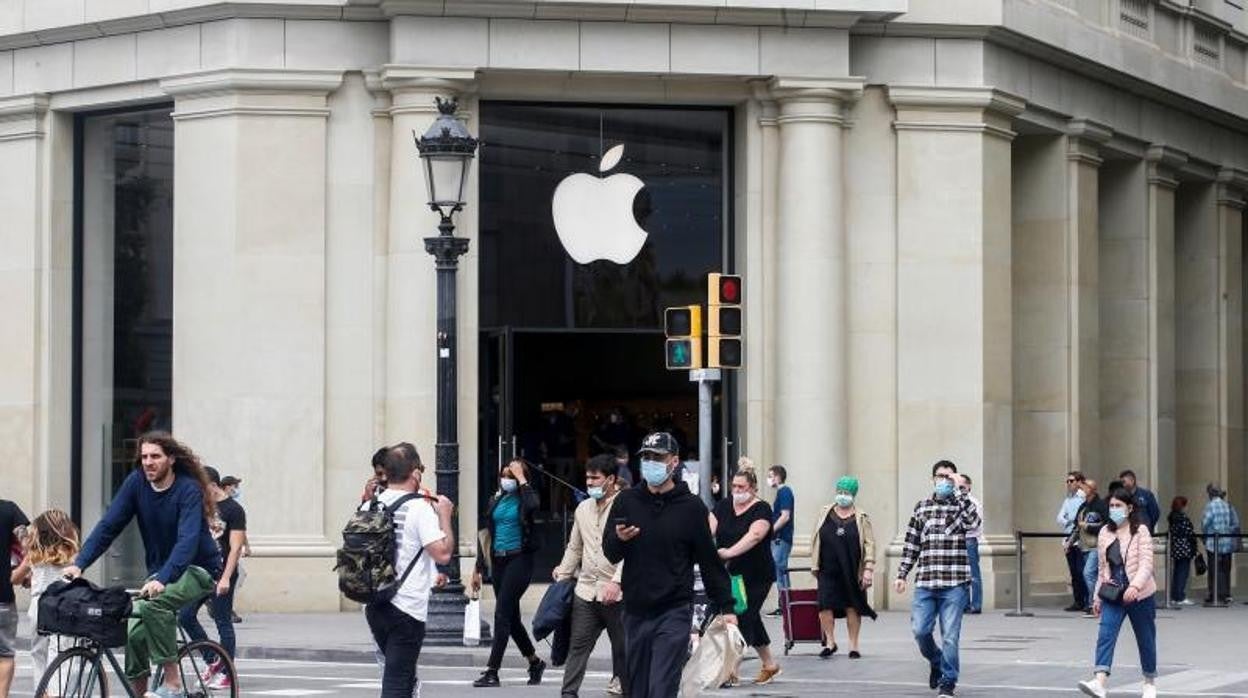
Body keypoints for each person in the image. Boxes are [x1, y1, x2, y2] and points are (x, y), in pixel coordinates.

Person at [64, 432, 223, 698]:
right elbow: (108, 526)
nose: (148, 462)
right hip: (160, 572)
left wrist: (163, 578)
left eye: (155, 456)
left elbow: (187, 541)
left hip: (197, 569)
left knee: (156, 604)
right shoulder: (136, 483)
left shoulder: (187, 489)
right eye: (144, 457)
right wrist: (80, 564)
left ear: (171, 459)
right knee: (134, 630)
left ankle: (172, 682)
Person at [603, 431, 737, 698]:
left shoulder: (692, 508)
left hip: (674, 611)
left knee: (661, 687)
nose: (650, 462)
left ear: (674, 462)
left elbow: (709, 561)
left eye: (657, 457)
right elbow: (610, 552)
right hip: (635, 611)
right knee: (637, 690)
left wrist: (727, 607)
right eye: (646, 457)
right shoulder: (626, 501)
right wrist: (619, 539)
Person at [365, 443, 455, 698]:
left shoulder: (371, 505)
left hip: (374, 603)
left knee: (402, 679)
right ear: (415, 473)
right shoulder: (419, 508)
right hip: (405, 607)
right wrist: (445, 515)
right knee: (397, 681)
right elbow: (444, 553)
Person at [893, 459, 979, 698]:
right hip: (927, 582)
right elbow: (912, 543)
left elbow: (974, 523)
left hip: (955, 584)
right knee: (920, 631)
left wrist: (960, 491)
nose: (944, 481)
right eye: (940, 476)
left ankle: (948, 682)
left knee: (950, 636)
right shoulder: (922, 507)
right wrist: (902, 574)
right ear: (933, 479)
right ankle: (936, 661)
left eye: (949, 477)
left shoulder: (963, 506)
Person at [553, 454, 627, 698]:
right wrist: (563, 573)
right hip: (585, 590)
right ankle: (568, 693)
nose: (591, 483)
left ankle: (626, 688)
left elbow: (632, 551)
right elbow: (575, 547)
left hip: (617, 593)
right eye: (588, 478)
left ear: (611, 480)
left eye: (596, 478)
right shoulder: (583, 508)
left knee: (623, 648)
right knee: (578, 645)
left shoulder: (625, 505)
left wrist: (617, 582)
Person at [470, 459, 547, 688]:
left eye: (512, 475)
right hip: (498, 560)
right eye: (505, 474)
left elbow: (534, 505)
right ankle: (534, 662)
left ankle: (492, 671)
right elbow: (487, 534)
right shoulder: (497, 499)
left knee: (501, 615)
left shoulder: (526, 498)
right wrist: (478, 568)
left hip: (519, 560)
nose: (507, 479)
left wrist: (522, 479)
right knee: (511, 620)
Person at [1077, 488, 1157, 698]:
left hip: (1139, 594)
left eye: (1118, 506)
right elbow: (1104, 568)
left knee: (1145, 637)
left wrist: (1135, 586)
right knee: (1105, 634)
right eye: (1111, 506)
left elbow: (1147, 563)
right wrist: (1096, 597)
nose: (1114, 510)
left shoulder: (1141, 531)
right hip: (1113, 594)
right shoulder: (1105, 532)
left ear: (1129, 508)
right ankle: (1100, 681)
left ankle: (1149, 683)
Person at [710, 462, 780, 687]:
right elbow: (706, 529)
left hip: (757, 574)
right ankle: (770, 665)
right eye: (734, 487)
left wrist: (729, 552)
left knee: (743, 618)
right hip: (730, 575)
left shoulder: (762, 509)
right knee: (750, 617)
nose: (737, 491)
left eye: (742, 487)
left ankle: (731, 670)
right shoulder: (722, 506)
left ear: (753, 489)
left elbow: (756, 535)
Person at [177, 466, 247, 689]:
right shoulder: (200, 506)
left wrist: (226, 578)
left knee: (222, 620)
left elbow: (235, 548)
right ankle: (212, 660)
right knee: (185, 616)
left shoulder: (234, 510)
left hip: (222, 572)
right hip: (201, 572)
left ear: (213, 485)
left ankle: (227, 671)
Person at [809, 476, 876, 660]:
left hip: (852, 568)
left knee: (852, 605)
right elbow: (815, 538)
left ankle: (853, 646)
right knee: (825, 605)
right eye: (839, 492)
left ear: (853, 495)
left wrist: (868, 568)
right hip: (827, 567)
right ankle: (830, 642)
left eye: (846, 493)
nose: (842, 496)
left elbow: (869, 544)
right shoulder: (825, 512)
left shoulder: (861, 517)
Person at [10, 510, 75, 691]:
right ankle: (55, 693)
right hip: (63, 604)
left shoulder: (35, 554)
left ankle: (41, 692)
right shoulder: (71, 552)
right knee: (59, 652)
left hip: (38, 605)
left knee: (38, 653)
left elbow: (15, 578)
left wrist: (28, 579)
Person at [0, 497, 28, 698]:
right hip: (3, 597)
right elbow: (29, 544)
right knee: (5, 654)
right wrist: (25, 572)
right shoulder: (9, 510)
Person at [1202, 483, 1240, 604]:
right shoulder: (1226, 505)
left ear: (1210, 493)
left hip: (1213, 542)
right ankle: (1225, 594)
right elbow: (1232, 523)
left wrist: (1204, 535)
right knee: (1225, 569)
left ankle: (1214, 594)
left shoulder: (1210, 506)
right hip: (1226, 541)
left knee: (1213, 569)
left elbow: (1205, 522)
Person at [1075, 479, 1108, 617]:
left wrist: (1088, 526)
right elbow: (1076, 525)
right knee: (1091, 575)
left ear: (1092, 489)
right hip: (1084, 545)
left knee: (1088, 573)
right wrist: (1070, 542)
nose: (1082, 488)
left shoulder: (1100, 505)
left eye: (1084, 486)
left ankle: (1093, 603)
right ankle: (1094, 603)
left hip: (1095, 545)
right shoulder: (1083, 506)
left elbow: (1106, 524)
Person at [766, 464, 794, 617]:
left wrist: (772, 530)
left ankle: (785, 605)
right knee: (780, 571)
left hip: (781, 538)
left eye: (770, 476)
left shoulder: (784, 492)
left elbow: (785, 516)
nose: (769, 479)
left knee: (781, 571)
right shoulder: (782, 492)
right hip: (779, 538)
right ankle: (784, 604)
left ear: (777, 476)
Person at [1058, 471, 1088, 612]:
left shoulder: (1083, 498)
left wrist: (1072, 521)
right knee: (1074, 573)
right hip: (1068, 538)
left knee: (1082, 571)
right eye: (1068, 481)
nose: (1069, 484)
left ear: (1079, 482)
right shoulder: (1067, 500)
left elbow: (1080, 520)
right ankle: (1078, 600)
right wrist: (1069, 521)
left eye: (1072, 480)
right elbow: (1059, 517)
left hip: (1081, 539)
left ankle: (1087, 600)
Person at [954, 474, 983, 614]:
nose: (959, 489)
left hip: (970, 540)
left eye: (962, 486)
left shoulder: (974, 502)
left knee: (974, 575)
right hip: (959, 540)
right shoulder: (955, 501)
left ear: (969, 486)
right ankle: (964, 604)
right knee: (961, 575)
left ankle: (976, 604)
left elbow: (975, 523)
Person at [1167, 496, 1198, 606]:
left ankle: (1175, 596)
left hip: (1176, 548)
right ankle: (1180, 596)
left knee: (1177, 572)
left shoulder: (1172, 517)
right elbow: (1189, 533)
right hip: (1185, 548)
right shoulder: (1182, 518)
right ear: (1183, 506)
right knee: (1183, 573)